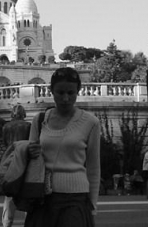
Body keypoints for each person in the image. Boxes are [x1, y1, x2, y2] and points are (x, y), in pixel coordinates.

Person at [26, 67, 100, 227]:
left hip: (76, 199)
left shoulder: (90, 122)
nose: (66, 98)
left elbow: (93, 167)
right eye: (60, 93)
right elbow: (30, 160)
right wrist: (29, 152)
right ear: (51, 91)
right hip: (43, 197)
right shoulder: (39, 120)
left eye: (71, 93)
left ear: (78, 91)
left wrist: (92, 204)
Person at [1, 104, 31, 227]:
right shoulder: (28, 126)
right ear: (23, 113)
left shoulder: (5, 127)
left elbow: (5, 143)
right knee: (28, 192)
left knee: (9, 193)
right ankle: (28, 221)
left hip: (9, 161)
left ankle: (7, 222)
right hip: (24, 160)